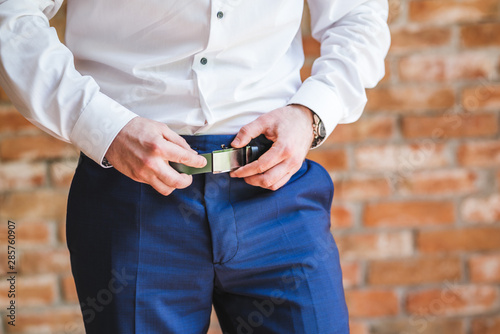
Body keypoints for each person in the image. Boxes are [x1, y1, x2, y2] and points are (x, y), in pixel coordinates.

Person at [0, 0, 390, 333]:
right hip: (134, 191)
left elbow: (357, 14)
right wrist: (105, 126)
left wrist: (312, 112)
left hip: (275, 183)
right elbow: (12, 15)